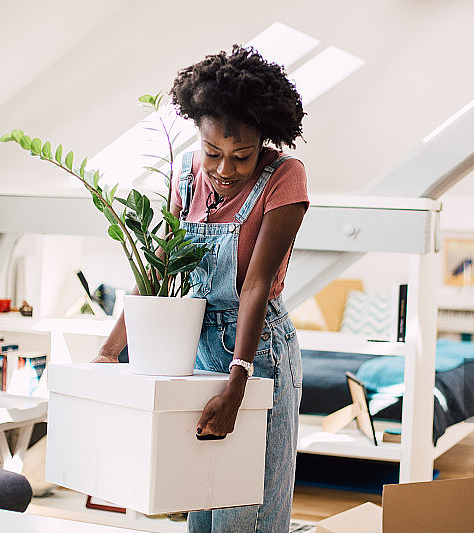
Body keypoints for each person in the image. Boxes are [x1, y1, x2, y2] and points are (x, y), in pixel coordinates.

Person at [95, 45, 308, 533]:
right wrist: (109, 351)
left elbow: (255, 285)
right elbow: (159, 270)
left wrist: (238, 382)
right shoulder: (188, 172)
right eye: (214, 152)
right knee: (201, 502)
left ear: (264, 142)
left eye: (242, 156)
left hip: (256, 354)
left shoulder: (285, 178)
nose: (225, 169)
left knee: (244, 510)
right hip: (192, 347)